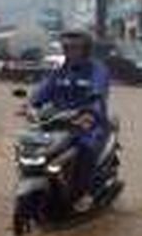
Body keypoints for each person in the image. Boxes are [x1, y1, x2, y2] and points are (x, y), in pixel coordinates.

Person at [29, 30, 110, 212]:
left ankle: (84, 193)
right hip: (60, 121)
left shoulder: (97, 70)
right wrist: (29, 105)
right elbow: (43, 90)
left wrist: (90, 114)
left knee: (85, 149)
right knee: (35, 143)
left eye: (75, 48)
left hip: (89, 123)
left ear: (86, 49)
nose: (70, 51)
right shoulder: (60, 71)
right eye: (67, 48)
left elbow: (98, 95)